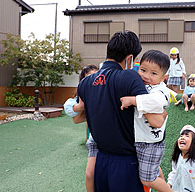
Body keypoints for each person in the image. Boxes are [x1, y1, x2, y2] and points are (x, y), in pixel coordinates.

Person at [77, 31, 167, 192]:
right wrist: (165, 112)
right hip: (127, 163)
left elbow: (78, 118)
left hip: (101, 161)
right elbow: (156, 121)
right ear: (130, 58)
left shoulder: (85, 83)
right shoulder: (129, 78)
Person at [120, 50, 172, 192]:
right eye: (143, 70)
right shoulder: (143, 84)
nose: (146, 76)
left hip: (151, 143)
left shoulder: (161, 90)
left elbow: (156, 101)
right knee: (153, 170)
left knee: (147, 179)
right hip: (143, 139)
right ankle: (166, 186)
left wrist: (133, 100)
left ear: (163, 77)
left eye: (154, 73)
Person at [63, 64, 98, 192]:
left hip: (110, 138)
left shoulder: (106, 91)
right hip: (95, 139)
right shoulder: (82, 97)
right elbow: (75, 119)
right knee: (90, 174)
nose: (92, 81)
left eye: (95, 76)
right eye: (88, 78)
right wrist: (81, 106)